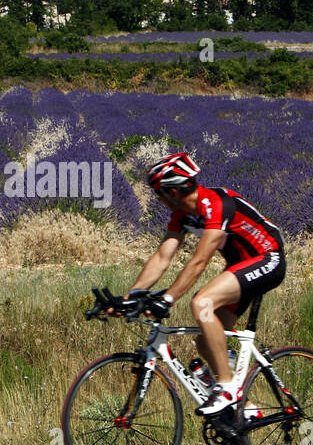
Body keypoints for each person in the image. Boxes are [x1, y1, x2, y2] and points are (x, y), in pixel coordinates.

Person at [113, 151, 286, 415]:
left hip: (267, 259)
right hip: (241, 267)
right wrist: (131, 296)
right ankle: (245, 408)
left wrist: (168, 299)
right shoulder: (182, 215)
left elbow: (199, 261)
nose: (158, 200)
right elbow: (162, 257)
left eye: (160, 193)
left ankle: (226, 388)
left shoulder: (217, 204)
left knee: (202, 303)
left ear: (175, 191)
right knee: (206, 342)